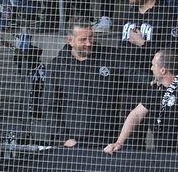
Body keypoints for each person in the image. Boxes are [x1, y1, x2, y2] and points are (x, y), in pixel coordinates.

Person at [104, 50, 178, 156]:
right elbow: (136, 115)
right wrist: (119, 142)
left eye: (153, 65)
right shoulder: (156, 89)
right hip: (161, 155)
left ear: (163, 70)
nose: (151, 68)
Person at [42, 16, 123, 148]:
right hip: (74, 142)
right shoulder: (57, 66)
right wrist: (65, 139)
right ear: (70, 40)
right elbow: (49, 106)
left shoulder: (110, 57)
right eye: (83, 39)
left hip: (106, 141)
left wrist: (152, 81)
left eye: (90, 37)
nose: (89, 43)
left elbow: (131, 73)